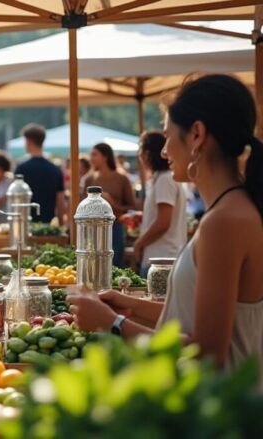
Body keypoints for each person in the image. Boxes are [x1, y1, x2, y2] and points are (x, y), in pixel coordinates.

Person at [68, 74, 263, 381]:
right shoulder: (226, 212)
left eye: (167, 134)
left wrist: (114, 323)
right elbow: (194, 321)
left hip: (222, 416)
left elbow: (205, 354)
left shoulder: (225, 221)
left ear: (197, 135)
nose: (163, 150)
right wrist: (133, 304)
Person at [133, 131, 187, 275]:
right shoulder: (162, 178)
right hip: (161, 257)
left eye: (141, 150)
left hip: (162, 260)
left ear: (148, 153)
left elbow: (163, 222)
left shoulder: (165, 179)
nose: (140, 155)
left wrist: (139, 244)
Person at [83, 142, 137, 267]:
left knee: (114, 265)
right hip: (93, 230)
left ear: (105, 156)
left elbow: (132, 207)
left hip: (115, 228)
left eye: (95, 154)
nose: (91, 158)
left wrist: (113, 204)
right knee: (93, 266)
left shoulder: (122, 179)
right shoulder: (88, 179)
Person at [14, 123, 65, 225]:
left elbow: (16, 200)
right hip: (48, 227)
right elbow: (60, 201)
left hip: (25, 225)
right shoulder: (55, 169)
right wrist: (61, 226)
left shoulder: (21, 169)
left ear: (28, 141)